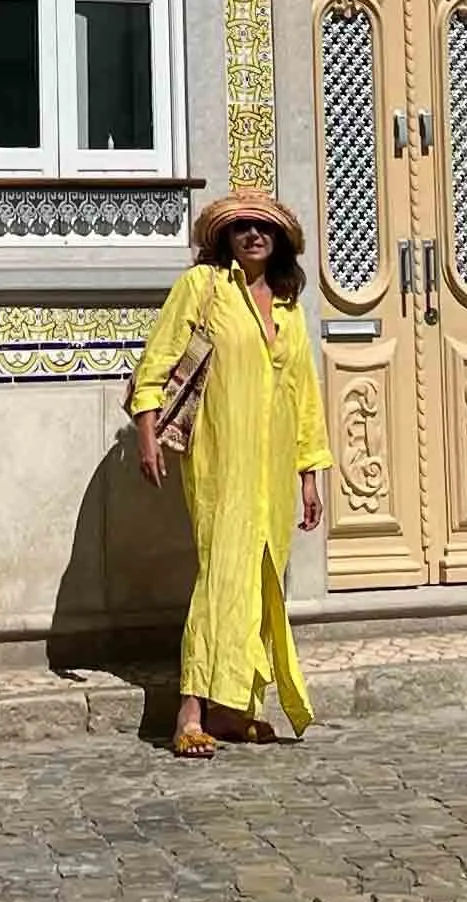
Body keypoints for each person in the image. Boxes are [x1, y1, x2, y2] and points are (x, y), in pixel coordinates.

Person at [126, 187, 332, 758]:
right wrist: (148, 433)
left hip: (273, 467)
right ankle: (188, 713)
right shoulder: (205, 288)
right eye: (241, 228)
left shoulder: (289, 310)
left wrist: (309, 474)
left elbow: (304, 395)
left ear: (281, 242)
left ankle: (235, 709)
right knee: (222, 574)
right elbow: (159, 359)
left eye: (263, 228)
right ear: (225, 238)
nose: (253, 235)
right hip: (221, 458)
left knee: (264, 578)